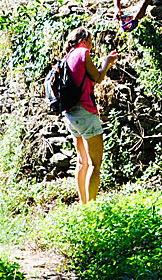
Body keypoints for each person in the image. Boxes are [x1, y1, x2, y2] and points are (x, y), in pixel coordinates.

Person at [62, 27, 118, 204]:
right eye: (91, 41)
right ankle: (91, 209)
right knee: (95, 164)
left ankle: (83, 204)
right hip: (85, 113)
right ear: (84, 40)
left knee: (82, 162)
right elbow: (97, 77)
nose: (92, 46)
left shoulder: (68, 56)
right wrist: (107, 62)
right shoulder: (83, 53)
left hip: (70, 114)